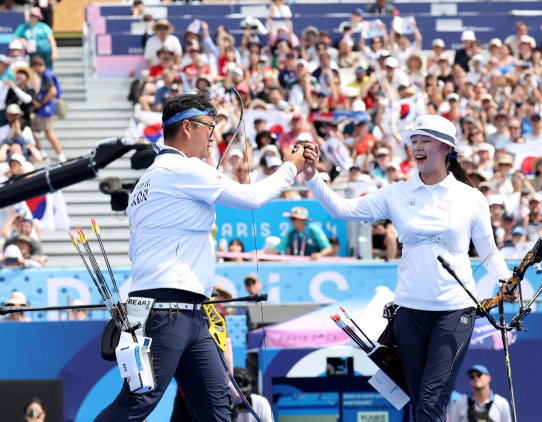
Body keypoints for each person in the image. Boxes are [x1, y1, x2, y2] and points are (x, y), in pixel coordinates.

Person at [93, 92, 306, 422]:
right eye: (210, 126)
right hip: (167, 312)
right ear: (188, 127)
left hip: (180, 313)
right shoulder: (185, 170)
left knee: (217, 408)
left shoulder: (145, 183)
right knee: (136, 404)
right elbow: (253, 197)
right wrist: (292, 166)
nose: (213, 136)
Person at [301, 114, 516, 420]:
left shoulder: (471, 198)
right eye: (414, 140)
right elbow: (342, 209)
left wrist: (507, 280)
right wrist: (312, 176)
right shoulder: (396, 192)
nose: (416, 146)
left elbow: (489, 251)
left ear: (445, 148)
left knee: (430, 402)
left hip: (455, 310)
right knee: (421, 406)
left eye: (425, 140)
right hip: (409, 312)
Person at [29, 56, 65, 162]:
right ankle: (42, 151)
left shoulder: (47, 76)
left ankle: (61, 155)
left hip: (46, 109)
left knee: (49, 133)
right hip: (42, 109)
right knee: (29, 130)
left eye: (33, 68)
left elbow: (53, 92)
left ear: (37, 66)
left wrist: (41, 103)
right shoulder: (45, 75)